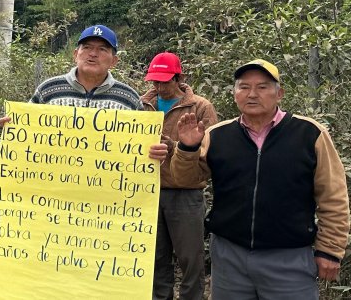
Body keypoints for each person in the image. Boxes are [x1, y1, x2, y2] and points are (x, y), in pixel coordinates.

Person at [172, 59, 349, 299]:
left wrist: (329, 250)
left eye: (262, 87)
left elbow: (333, 197)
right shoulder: (218, 135)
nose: (252, 94)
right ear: (235, 93)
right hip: (229, 257)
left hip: (289, 258)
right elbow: (185, 180)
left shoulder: (310, 134)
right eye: (244, 87)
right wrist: (187, 148)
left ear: (279, 94)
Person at [139, 52, 217, 300]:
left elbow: (209, 151)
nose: (159, 87)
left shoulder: (200, 107)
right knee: (155, 257)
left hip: (186, 193)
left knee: (190, 258)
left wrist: (176, 147)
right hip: (149, 191)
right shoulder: (142, 104)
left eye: (165, 81)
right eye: (155, 81)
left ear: (179, 78)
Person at [29, 25, 141, 110]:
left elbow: (142, 132)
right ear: (75, 55)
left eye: (102, 49)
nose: (93, 54)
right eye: (87, 47)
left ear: (113, 61)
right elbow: (26, 126)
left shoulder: (130, 99)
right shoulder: (47, 91)